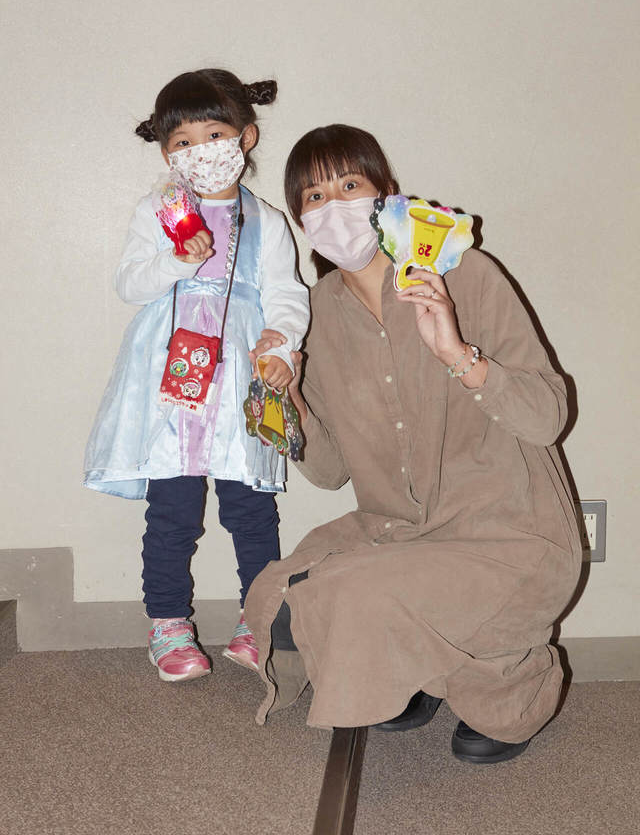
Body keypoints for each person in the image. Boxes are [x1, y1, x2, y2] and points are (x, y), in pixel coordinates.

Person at [245, 123, 582, 764]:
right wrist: (290, 401)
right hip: (399, 532)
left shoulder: (466, 275)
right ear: (300, 220)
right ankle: (418, 670)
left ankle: (512, 688)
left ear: (387, 194)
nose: (333, 206)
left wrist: (457, 354)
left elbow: (547, 418)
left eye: (350, 185)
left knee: (352, 594)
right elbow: (329, 471)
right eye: (314, 197)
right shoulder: (312, 315)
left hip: (507, 531)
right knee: (283, 591)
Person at [84, 69, 309, 682]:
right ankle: (168, 625)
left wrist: (283, 344)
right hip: (172, 378)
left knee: (252, 509)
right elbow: (130, 283)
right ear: (166, 152)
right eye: (182, 141)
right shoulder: (159, 210)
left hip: (238, 373)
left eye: (213, 134)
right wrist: (174, 262)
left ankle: (257, 619)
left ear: (245, 137)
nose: (200, 151)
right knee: (173, 509)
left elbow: (287, 294)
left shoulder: (264, 220)